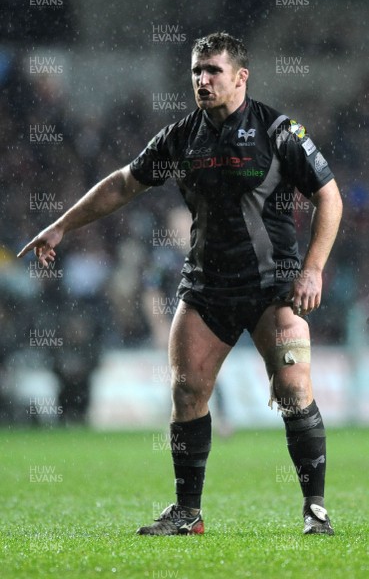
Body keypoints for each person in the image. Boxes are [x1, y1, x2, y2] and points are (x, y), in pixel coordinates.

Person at [18, 32, 342, 536]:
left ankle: (315, 510)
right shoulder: (181, 137)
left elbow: (330, 196)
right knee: (188, 390)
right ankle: (188, 514)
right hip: (207, 286)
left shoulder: (278, 131)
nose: (202, 80)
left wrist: (314, 268)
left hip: (273, 286)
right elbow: (125, 182)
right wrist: (62, 224)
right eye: (196, 72)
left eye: (213, 70)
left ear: (241, 76)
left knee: (294, 389)